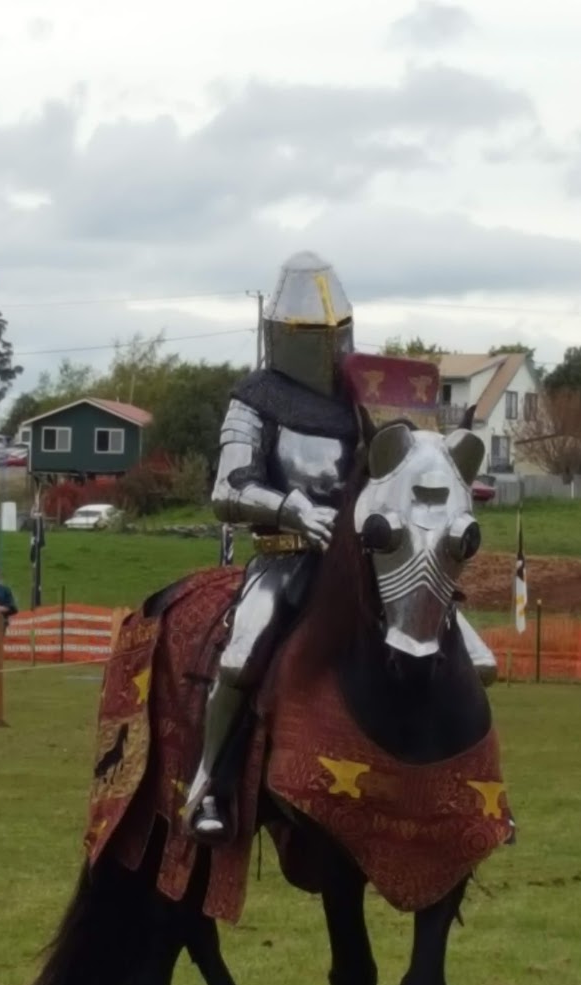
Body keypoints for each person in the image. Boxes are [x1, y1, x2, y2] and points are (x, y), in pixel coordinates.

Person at [183, 250, 498, 842]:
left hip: (366, 559)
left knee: (474, 658)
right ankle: (210, 785)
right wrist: (291, 508)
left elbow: (400, 473)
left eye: (332, 333)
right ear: (281, 335)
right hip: (285, 555)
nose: (324, 346)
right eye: (310, 334)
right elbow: (227, 487)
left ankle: (463, 793)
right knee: (241, 655)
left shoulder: (369, 400)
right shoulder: (254, 401)